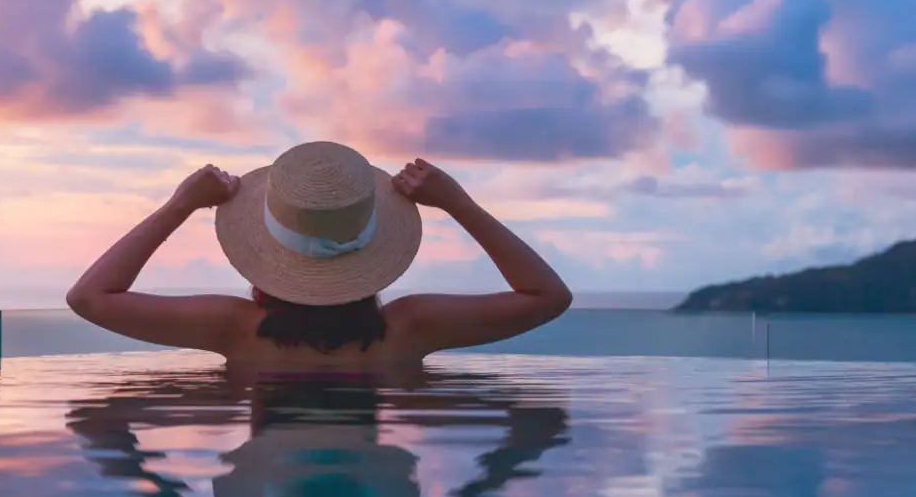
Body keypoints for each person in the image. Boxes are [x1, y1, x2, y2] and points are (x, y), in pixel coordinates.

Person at [65, 141, 571, 369]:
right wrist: (458, 203)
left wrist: (181, 205)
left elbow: (90, 297)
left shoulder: (234, 329)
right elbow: (548, 297)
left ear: (265, 253)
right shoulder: (412, 328)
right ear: (374, 251)